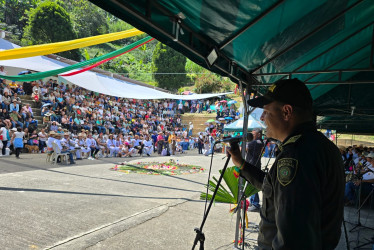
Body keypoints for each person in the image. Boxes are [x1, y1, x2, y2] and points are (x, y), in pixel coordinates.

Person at [227, 79, 344, 249]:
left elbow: (293, 239)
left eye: (266, 111)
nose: (262, 117)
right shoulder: (318, 146)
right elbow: (274, 188)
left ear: (287, 112)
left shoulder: (296, 156)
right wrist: (242, 165)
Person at [245, 128, 264, 212]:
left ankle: (255, 204)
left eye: (253, 135)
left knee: (252, 185)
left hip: (253, 165)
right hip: (253, 164)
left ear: (259, 135)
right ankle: (253, 202)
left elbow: (244, 149)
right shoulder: (258, 142)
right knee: (251, 184)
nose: (251, 136)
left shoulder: (256, 142)